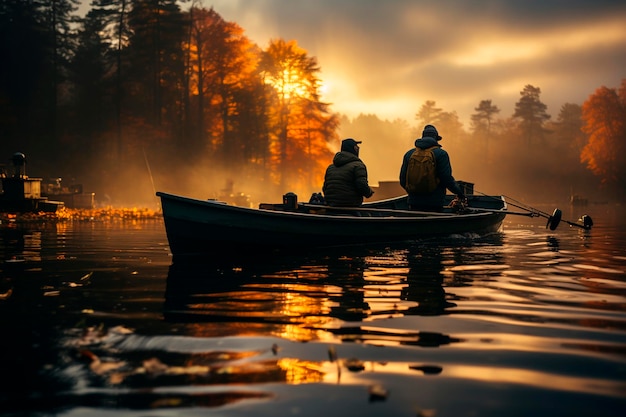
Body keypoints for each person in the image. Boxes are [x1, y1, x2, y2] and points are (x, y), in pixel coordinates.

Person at [399, 124, 465, 212]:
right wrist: (460, 194)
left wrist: (414, 193)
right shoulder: (441, 154)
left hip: (414, 203)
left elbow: (403, 180)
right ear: (436, 139)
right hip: (435, 203)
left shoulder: (409, 154)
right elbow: (447, 179)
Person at [323, 138, 374, 206]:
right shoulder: (358, 166)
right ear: (354, 149)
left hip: (331, 205)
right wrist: (369, 192)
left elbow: (325, 188)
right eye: (357, 147)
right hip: (350, 205)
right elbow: (362, 185)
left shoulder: (330, 168)